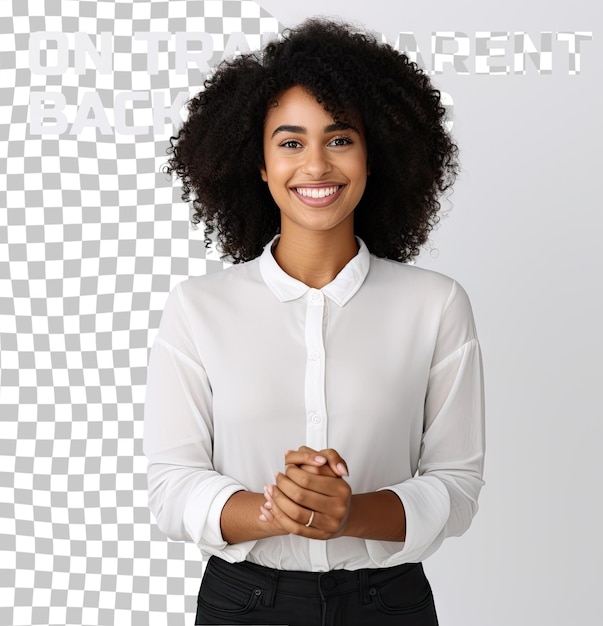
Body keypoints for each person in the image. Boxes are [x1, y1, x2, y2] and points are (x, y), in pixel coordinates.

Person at [143, 18, 485, 626]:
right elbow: (172, 488)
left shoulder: (436, 306)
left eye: (340, 138)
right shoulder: (198, 308)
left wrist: (350, 515)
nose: (317, 166)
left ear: (373, 154)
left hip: (390, 606)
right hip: (243, 605)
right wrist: (280, 510)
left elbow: (456, 488)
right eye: (291, 142)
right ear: (260, 163)